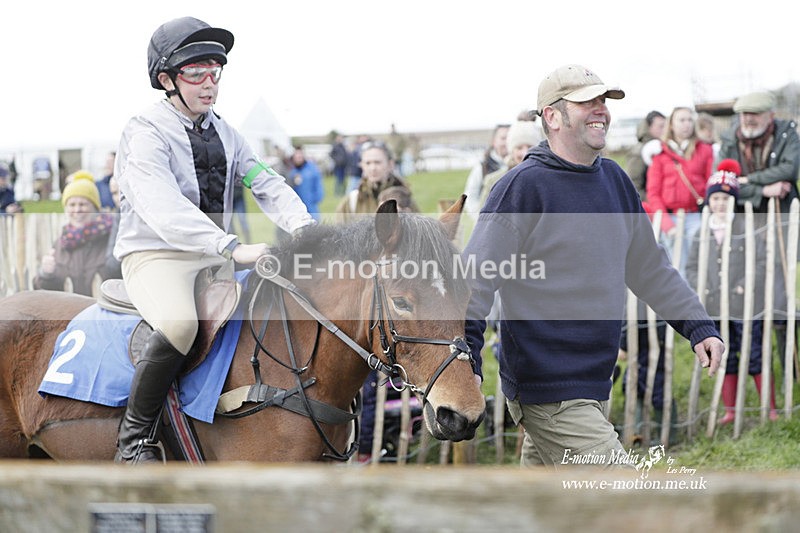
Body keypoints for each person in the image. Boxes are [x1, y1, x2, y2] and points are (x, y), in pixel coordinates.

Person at [463, 64, 724, 468]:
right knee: (619, 503)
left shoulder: (614, 180)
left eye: (603, 101)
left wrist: (697, 325)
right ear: (552, 116)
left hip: (594, 383)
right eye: (587, 102)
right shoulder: (521, 188)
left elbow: (649, 267)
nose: (600, 109)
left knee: (548, 511)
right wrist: (469, 362)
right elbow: (472, 284)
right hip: (548, 389)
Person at [112, 16, 316, 464]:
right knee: (181, 323)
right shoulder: (144, 131)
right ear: (167, 79)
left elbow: (266, 182)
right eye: (196, 73)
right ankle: (134, 441)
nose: (209, 84)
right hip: (156, 254)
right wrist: (231, 247)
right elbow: (162, 206)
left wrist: (305, 227)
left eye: (215, 72)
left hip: (214, 255)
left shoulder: (227, 132)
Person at [685, 160, 777, 423]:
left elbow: (760, 262)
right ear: (709, 201)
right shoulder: (700, 234)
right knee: (726, 353)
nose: (720, 204)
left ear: (733, 201)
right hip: (716, 305)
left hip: (744, 304)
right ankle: (730, 410)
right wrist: (701, 286)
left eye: (726, 199)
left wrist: (744, 284)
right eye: (716, 199)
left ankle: (768, 408)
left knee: (755, 352)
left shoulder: (745, 229)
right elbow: (691, 267)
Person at [717, 91, 800, 377]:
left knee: (780, 299)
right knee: (746, 295)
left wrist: (747, 180)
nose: (748, 120)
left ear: (770, 116)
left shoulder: (788, 134)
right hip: (742, 226)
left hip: (780, 224)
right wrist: (763, 188)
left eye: (754, 115)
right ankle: (755, 367)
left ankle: (791, 368)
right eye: (744, 115)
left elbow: (789, 169)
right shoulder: (730, 139)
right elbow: (725, 181)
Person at [646, 106, 714, 274]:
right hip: (670, 217)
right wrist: (667, 225)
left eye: (690, 120)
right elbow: (653, 193)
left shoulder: (705, 150)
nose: (687, 124)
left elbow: (710, 185)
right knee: (676, 267)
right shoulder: (660, 155)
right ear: (672, 125)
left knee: (700, 265)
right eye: (682, 120)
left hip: (695, 216)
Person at [32, 172, 113, 296]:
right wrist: (46, 274)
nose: (77, 210)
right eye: (71, 205)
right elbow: (47, 293)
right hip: (70, 313)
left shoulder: (110, 237)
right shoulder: (61, 243)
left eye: (83, 204)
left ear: (95, 208)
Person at [335, 141, 417, 223]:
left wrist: (405, 221)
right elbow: (339, 233)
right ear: (361, 165)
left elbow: (420, 233)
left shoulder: (405, 199)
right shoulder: (352, 201)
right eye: (368, 163)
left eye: (377, 162)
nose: (373, 168)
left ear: (390, 164)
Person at [463, 124, 509, 221]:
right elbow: (470, 197)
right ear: (493, 142)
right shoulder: (482, 167)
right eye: (503, 138)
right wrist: (480, 219)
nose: (507, 142)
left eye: (510, 137)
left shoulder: (522, 164)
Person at [624, 110, 666, 200]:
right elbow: (633, 186)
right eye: (661, 126)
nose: (665, 130)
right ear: (649, 127)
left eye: (666, 126)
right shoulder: (639, 151)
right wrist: (656, 201)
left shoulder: (662, 147)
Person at [287, 145, 324, 222]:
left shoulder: (312, 169)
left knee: (315, 226)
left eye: (300, 156)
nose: (298, 159)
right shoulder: (292, 172)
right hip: (298, 207)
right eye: (296, 157)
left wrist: (316, 198)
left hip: (311, 205)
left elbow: (318, 184)